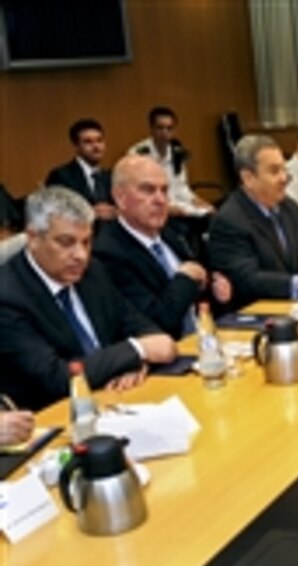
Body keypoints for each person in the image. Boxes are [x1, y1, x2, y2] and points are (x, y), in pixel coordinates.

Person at [0, 187, 175, 411]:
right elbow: (58, 377)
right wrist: (137, 350)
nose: (81, 255)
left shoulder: (92, 271)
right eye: (66, 242)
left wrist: (134, 362)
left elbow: (134, 322)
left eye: (86, 242)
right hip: (56, 418)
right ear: (33, 238)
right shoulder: (7, 297)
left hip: (115, 399)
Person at [206, 135, 298, 310]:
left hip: (294, 309)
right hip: (256, 318)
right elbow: (247, 279)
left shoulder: (287, 207)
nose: (284, 178)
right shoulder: (230, 220)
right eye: (275, 171)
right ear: (248, 178)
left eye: (285, 170)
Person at [94, 155, 231, 339]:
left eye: (164, 190)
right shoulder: (108, 253)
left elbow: (200, 289)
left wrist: (217, 292)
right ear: (120, 198)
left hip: (204, 341)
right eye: (148, 190)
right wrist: (184, 280)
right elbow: (155, 322)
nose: (160, 200)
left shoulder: (171, 233)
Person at [128, 106, 215, 217]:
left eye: (169, 128)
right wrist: (164, 206)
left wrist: (196, 200)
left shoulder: (177, 153)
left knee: (210, 214)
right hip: (152, 211)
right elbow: (137, 192)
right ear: (151, 129)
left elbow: (181, 188)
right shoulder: (137, 154)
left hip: (179, 208)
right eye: (160, 128)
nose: (165, 133)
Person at [45, 119, 117, 222]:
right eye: (88, 142)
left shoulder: (111, 175)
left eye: (99, 140)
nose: (96, 147)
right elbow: (56, 213)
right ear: (76, 147)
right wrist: (90, 213)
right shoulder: (61, 176)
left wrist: (115, 212)